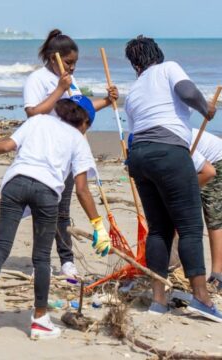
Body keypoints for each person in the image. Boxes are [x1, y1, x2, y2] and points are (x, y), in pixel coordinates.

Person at [0, 96, 112, 339]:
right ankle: (40, 320)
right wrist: (98, 225)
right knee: (41, 257)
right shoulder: (78, 140)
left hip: (15, 184)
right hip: (47, 192)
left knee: (0, 246)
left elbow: (8, 145)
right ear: (83, 121)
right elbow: (82, 188)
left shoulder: (38, 120)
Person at [125, 35, 222, 322]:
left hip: (139, 156)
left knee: (159, 229)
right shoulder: (168, 68)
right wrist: (206, 109)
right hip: (168, 152)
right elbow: (187, 91)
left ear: (134, 64)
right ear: (158, 54)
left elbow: (135, 133)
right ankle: (202, 298)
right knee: (190, 226)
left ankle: (158, 300)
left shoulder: (133, 91)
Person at [23, 29, 118, 277]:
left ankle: (66, 260)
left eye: (74, 63)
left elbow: (82, 108)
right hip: (45, 154)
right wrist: (58, 89)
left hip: (68, 153)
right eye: (68, 62)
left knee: (62, 211)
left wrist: (107, 101)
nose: (72, 68)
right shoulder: (38, 79)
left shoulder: (70, 81)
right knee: (45, 209)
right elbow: (33, 113)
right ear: (53, 57)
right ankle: (39, 261)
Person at [191, 128, 222, 290]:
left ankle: (218, 275)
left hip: (216, 160)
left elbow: (209, 172)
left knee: (213, 215)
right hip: (196, 163)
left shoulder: (176, 137)